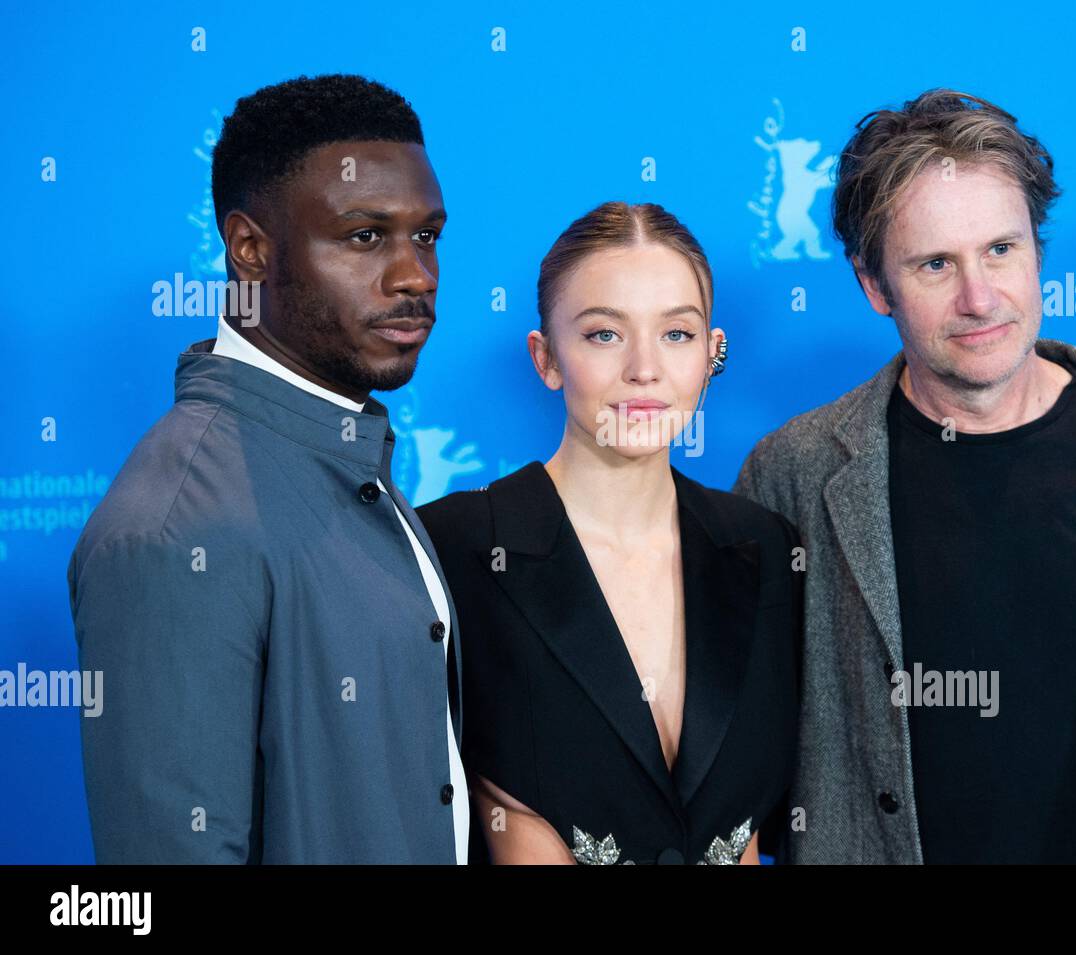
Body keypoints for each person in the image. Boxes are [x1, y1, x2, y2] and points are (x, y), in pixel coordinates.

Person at [733, 89, 1076, 864]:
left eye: (1001, 249)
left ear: (1037, 250)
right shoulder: (790, 475)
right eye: (934, 264)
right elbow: (732, 775)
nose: (979, 297)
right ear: (874, 285)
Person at [67, 74, 467, 863]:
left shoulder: (347, 454)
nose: (415, 275)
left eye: (427, 236)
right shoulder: (177, 524)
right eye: (364, 237)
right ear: (251, 249)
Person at [417, 202, 802, 864]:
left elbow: (752, 828)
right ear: (546, 358)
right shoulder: (451, 550)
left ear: (713, 354)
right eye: (604, 334)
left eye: (677, 334)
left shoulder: (766, 547)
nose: (644, 369)